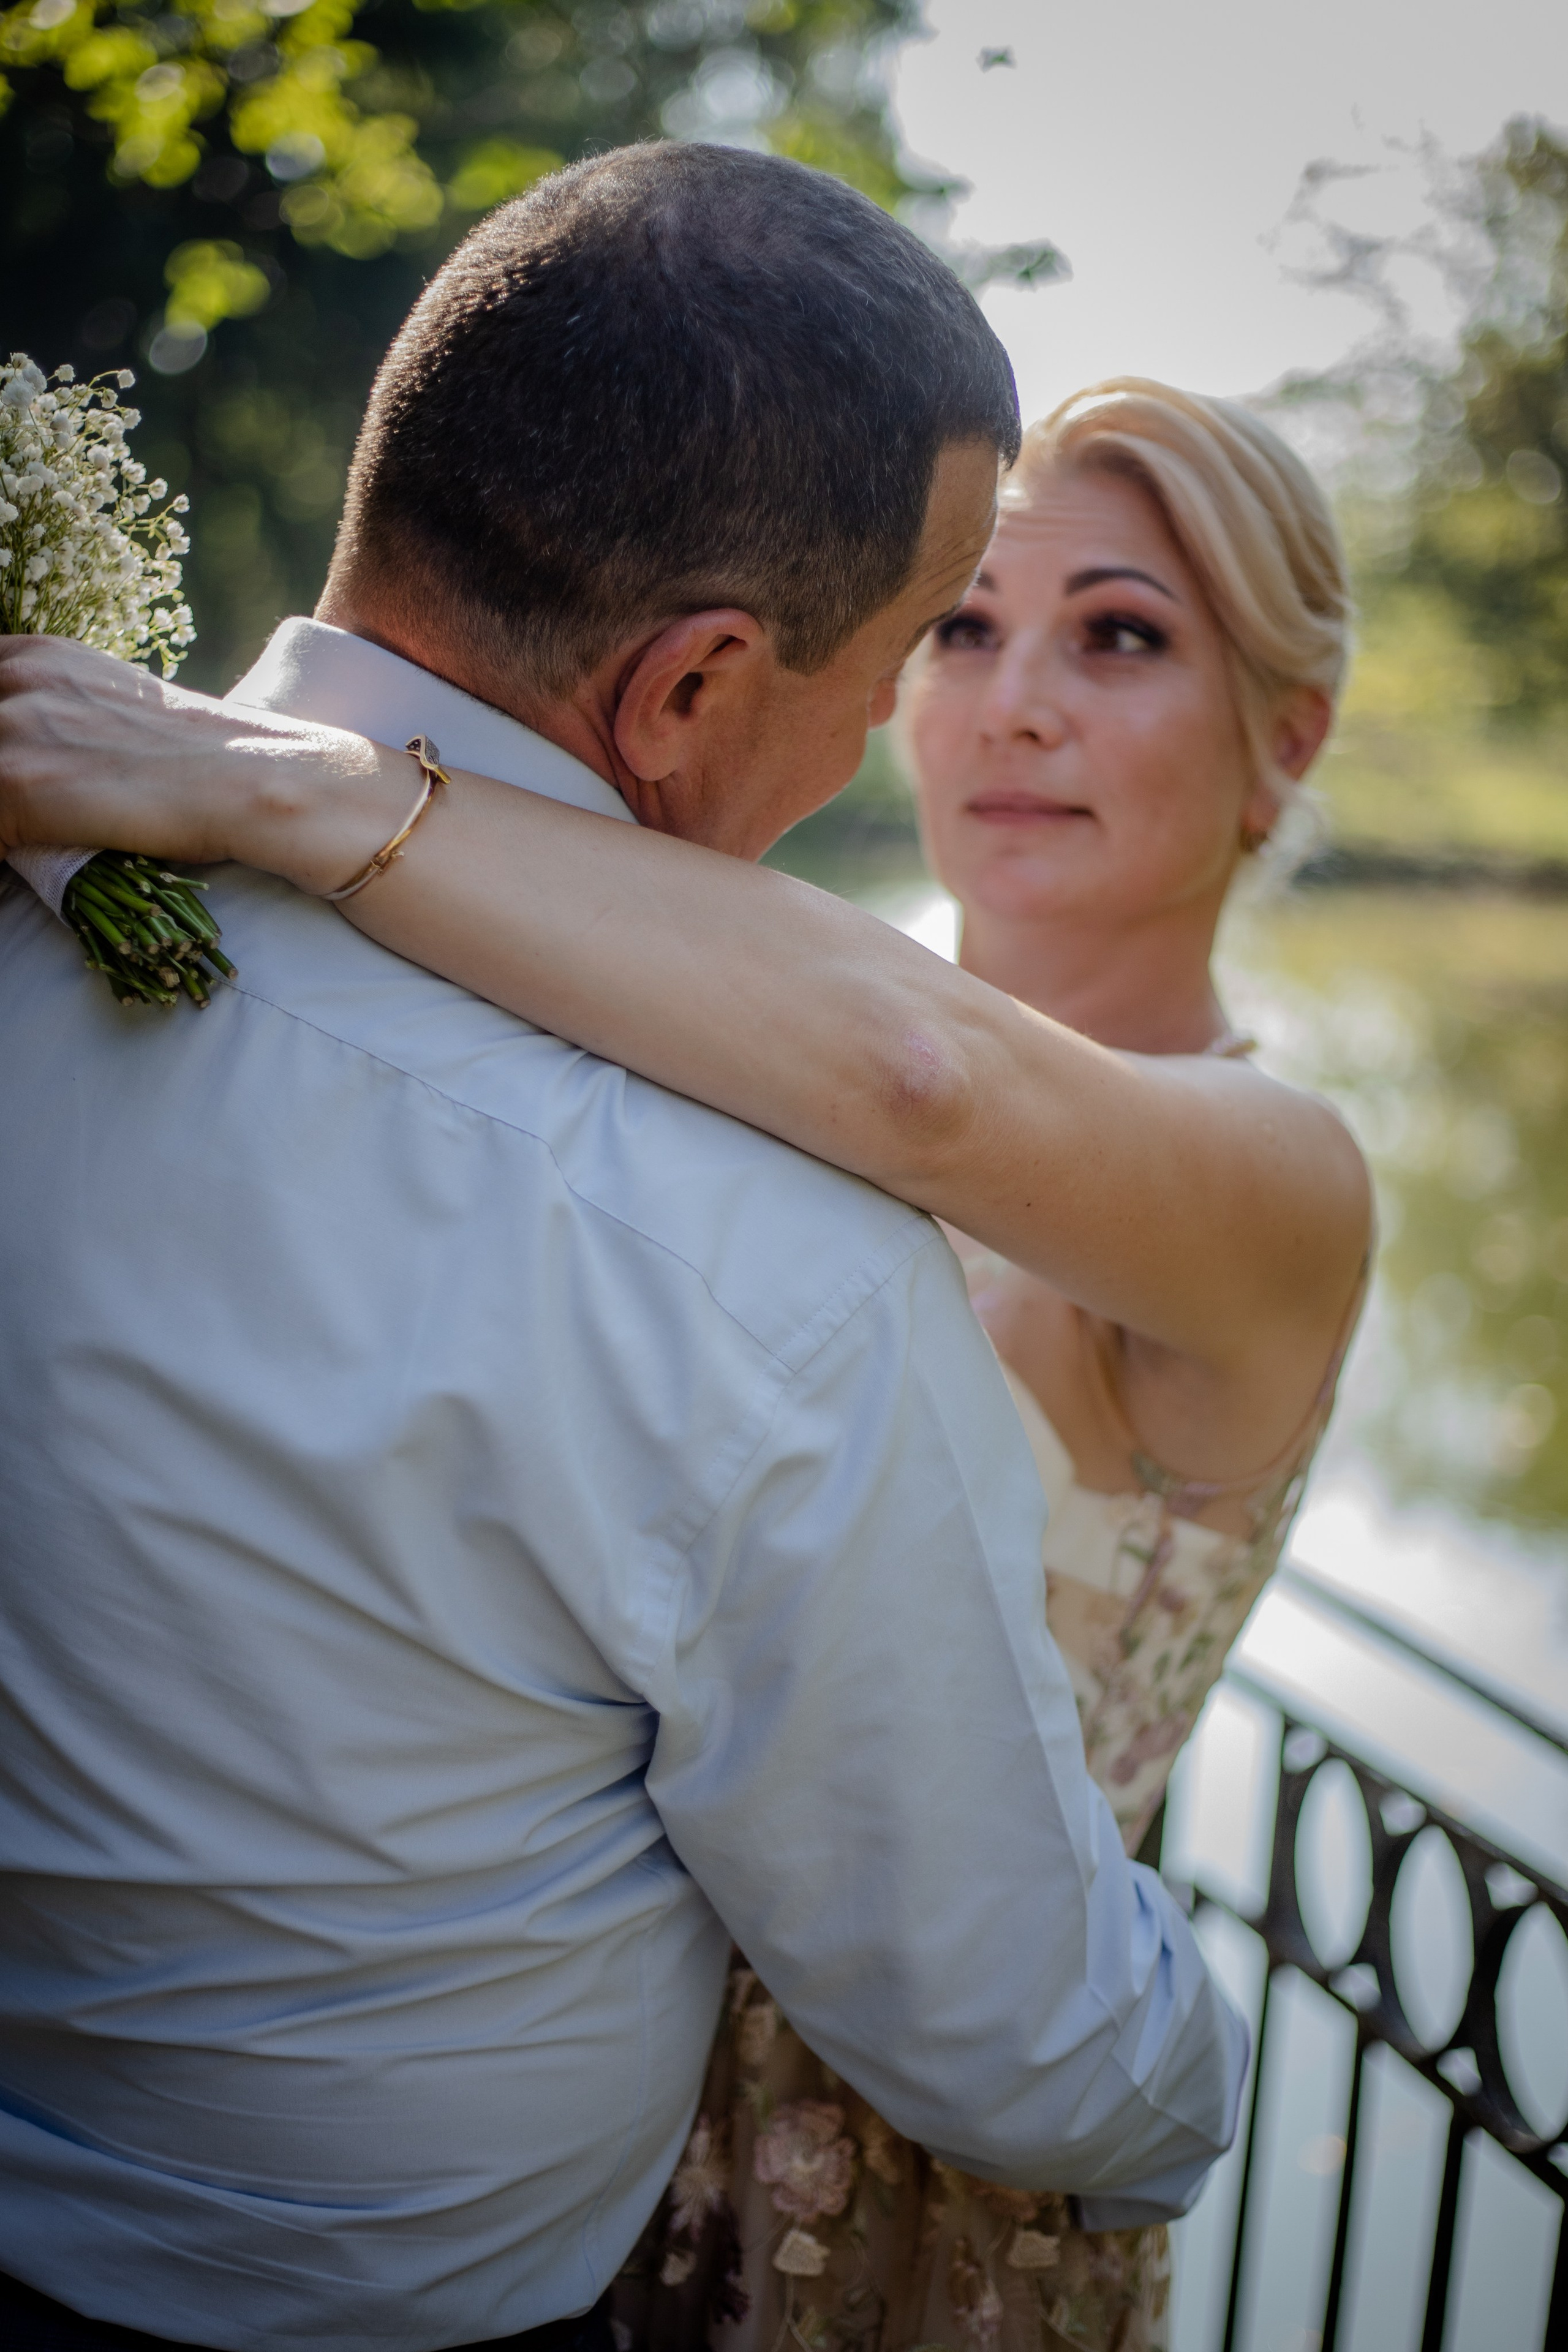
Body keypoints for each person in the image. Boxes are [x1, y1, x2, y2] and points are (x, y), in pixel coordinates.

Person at [0, 153, 1251, 2351]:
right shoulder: (749, 1246)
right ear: (689, 691)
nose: (896, 734)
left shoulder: (36, 863)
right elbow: (1010, 2033)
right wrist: (1194, 2084)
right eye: (899, 657)